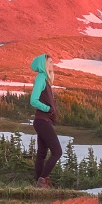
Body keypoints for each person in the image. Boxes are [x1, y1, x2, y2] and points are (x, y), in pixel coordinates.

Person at [29, 53, 62, 187]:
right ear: (43, 64)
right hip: (42, 120)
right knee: (57, 152)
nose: (52, 64)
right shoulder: (41, 78)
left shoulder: (44, 80)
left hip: (43, 121)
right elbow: (33, 101)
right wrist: (48, 109)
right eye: (49, 62)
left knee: (42, 154)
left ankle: (38, 183)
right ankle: (42, 180)